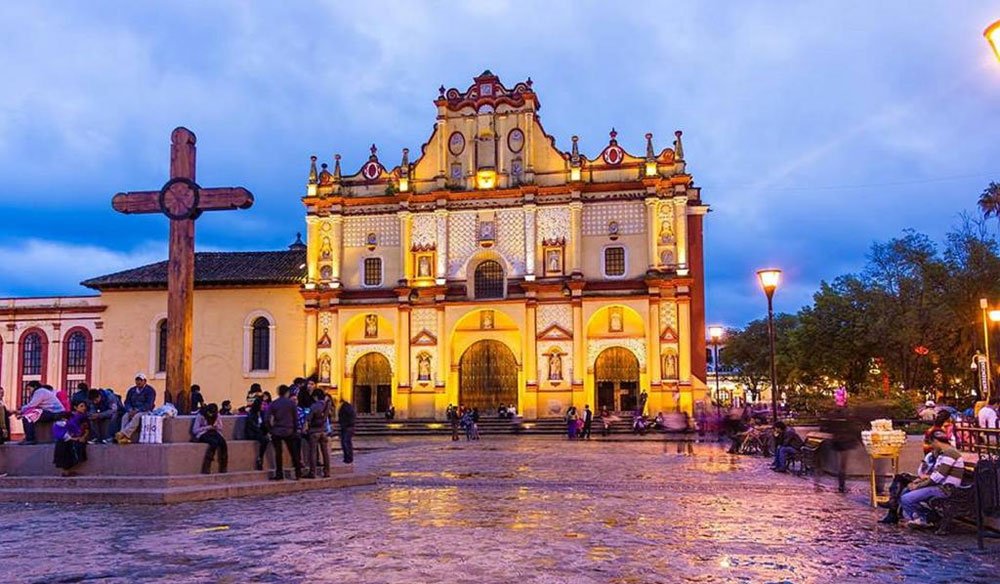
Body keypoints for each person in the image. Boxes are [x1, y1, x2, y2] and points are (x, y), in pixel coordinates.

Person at [900, 430, 968, 527]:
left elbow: (937, 477)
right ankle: (923, 517)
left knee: (906, 498)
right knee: (906, 491)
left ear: (935, 441)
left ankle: (924, 518)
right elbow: (935, 474)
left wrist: (918, 486)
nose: (931, 446)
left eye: (931, 443)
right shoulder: (944, 454)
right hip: (939, 486)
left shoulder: (950, 454)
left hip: (945, 489)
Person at [879, 451, 937, 524]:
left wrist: (921, 479)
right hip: (922, 478)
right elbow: (921, 472)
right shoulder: (930, 456)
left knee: (903, 486)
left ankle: (892, 509)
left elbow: (936, 476)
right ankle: (892, 506)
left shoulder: (943, 457)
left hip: (930, 481)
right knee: (900, 477)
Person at [267, 385, 302, 480]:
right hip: (289, 430)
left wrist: (271, 429)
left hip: (277, 431)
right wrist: (296, 429)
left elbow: (267, 418)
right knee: (293, 452)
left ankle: (279, 474)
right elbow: (295, 418)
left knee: (278, 453)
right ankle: (298, 472)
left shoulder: (274, 403)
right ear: (287, 393)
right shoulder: (291, 404)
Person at [115, 373, 156, 444]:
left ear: (145, 381)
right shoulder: (132, 390)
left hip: (145, 410)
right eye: (137, 380)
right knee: (125, 416)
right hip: (132, 409)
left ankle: (123, 434)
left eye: (140, 380)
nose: (138, 382)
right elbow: (127, 402)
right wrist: (130, 410)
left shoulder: (150, 391)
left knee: (137, 417)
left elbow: (149, 404)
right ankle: (124, 438)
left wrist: (137, 410)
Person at [53, 400, 90, 476]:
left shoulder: (84, 417)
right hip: (70, 438)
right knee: (62, 444)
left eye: (84, 406)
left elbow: (87, 430)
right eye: (81, 406)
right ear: (75, 407)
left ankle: (67, 470)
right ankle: (66, 470)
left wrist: (82, 437)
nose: (84, 408)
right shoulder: (70, 417)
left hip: (79, 438)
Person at [193, 403, 228, 474]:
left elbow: (221, 427)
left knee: (223, 443)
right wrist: (207, 427)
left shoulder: (217, 415)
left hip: (214, 432)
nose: (211, 415)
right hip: (203, 433)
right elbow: (195, 430)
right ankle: (207, 466)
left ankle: (224, 466)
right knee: (213, 443)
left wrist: (216, 426)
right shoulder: (200, 416)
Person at [305, 389, 331, 478]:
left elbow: (308, 419)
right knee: (325, 452)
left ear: (315, 397)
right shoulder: (326, 405)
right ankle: (327, 471)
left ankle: (312, 472)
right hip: (323, 431)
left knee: (313, 452)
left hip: (314, 431)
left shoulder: (314, 406)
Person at [244, 397, 269, 471]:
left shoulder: (261, 413)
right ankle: (260, 458)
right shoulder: (251, 414)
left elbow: (264, 425)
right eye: (262, 405)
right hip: (252, 433)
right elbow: (253, 426)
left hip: (259, 432)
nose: (263, 406)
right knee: (264, 440)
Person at [338, 398, 357, 464]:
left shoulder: (344, 408)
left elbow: (343, 418)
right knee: (347, 442)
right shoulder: (349, 407)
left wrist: (344, 425)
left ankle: (348, 457)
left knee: (345, 442)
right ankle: (348, 457)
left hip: (347, 427)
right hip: (349, 427)